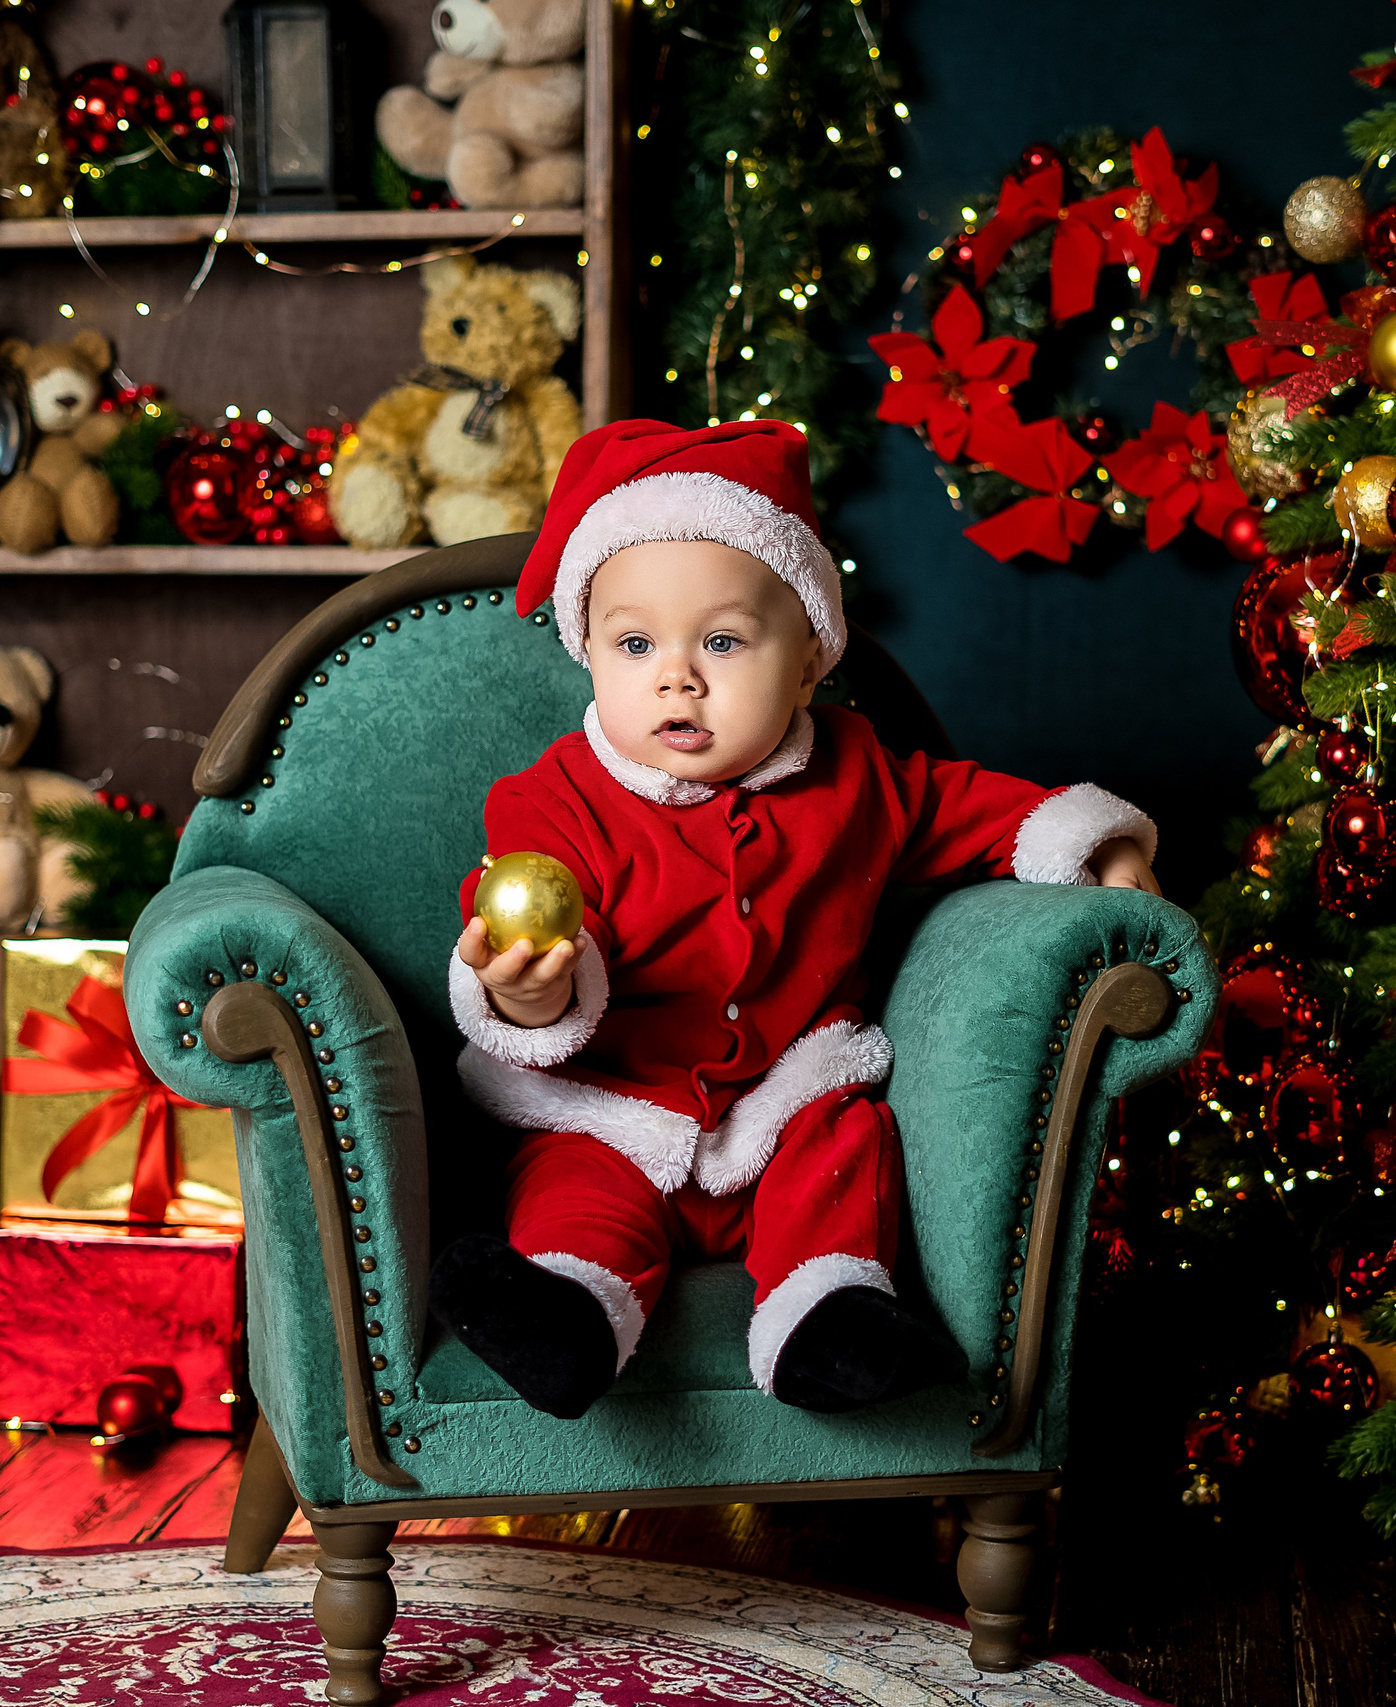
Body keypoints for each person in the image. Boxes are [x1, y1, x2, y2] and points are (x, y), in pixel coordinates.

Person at [433, 417, 1160, 1419]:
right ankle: (570, 1310)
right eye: (635, 643)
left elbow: (988, 813)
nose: (676, 676)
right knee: (575, 1186)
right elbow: (522, 907)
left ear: (810, 657)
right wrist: (526, 992)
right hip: (614, 1109)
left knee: (843, 1142)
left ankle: (827, 1313)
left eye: (723, 642)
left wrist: (1100, 846)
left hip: (781, 1107)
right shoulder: (552, 797)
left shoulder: (859, 775)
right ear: (588, 650)